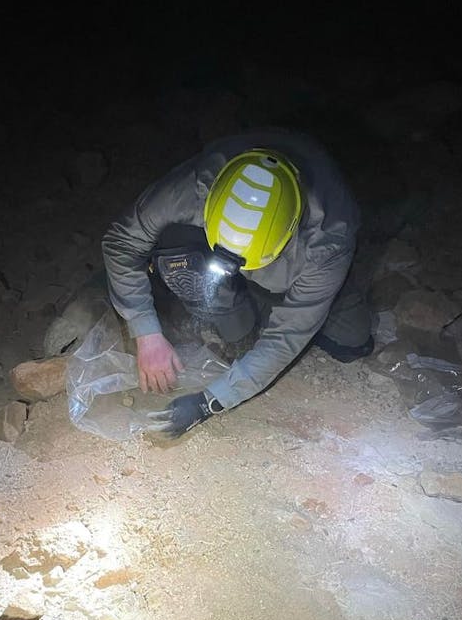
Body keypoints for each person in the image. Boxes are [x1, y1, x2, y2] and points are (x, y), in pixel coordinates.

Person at [101, 128, 374, 439]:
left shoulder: (327, 241)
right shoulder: (195, 186)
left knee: (352, 341)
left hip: (306, 255)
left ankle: (271, 297)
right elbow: (121, 242)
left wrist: (208, 403)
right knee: (191, 273)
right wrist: (146, 331)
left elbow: (286, 338)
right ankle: (230, 310)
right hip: (210, 232)